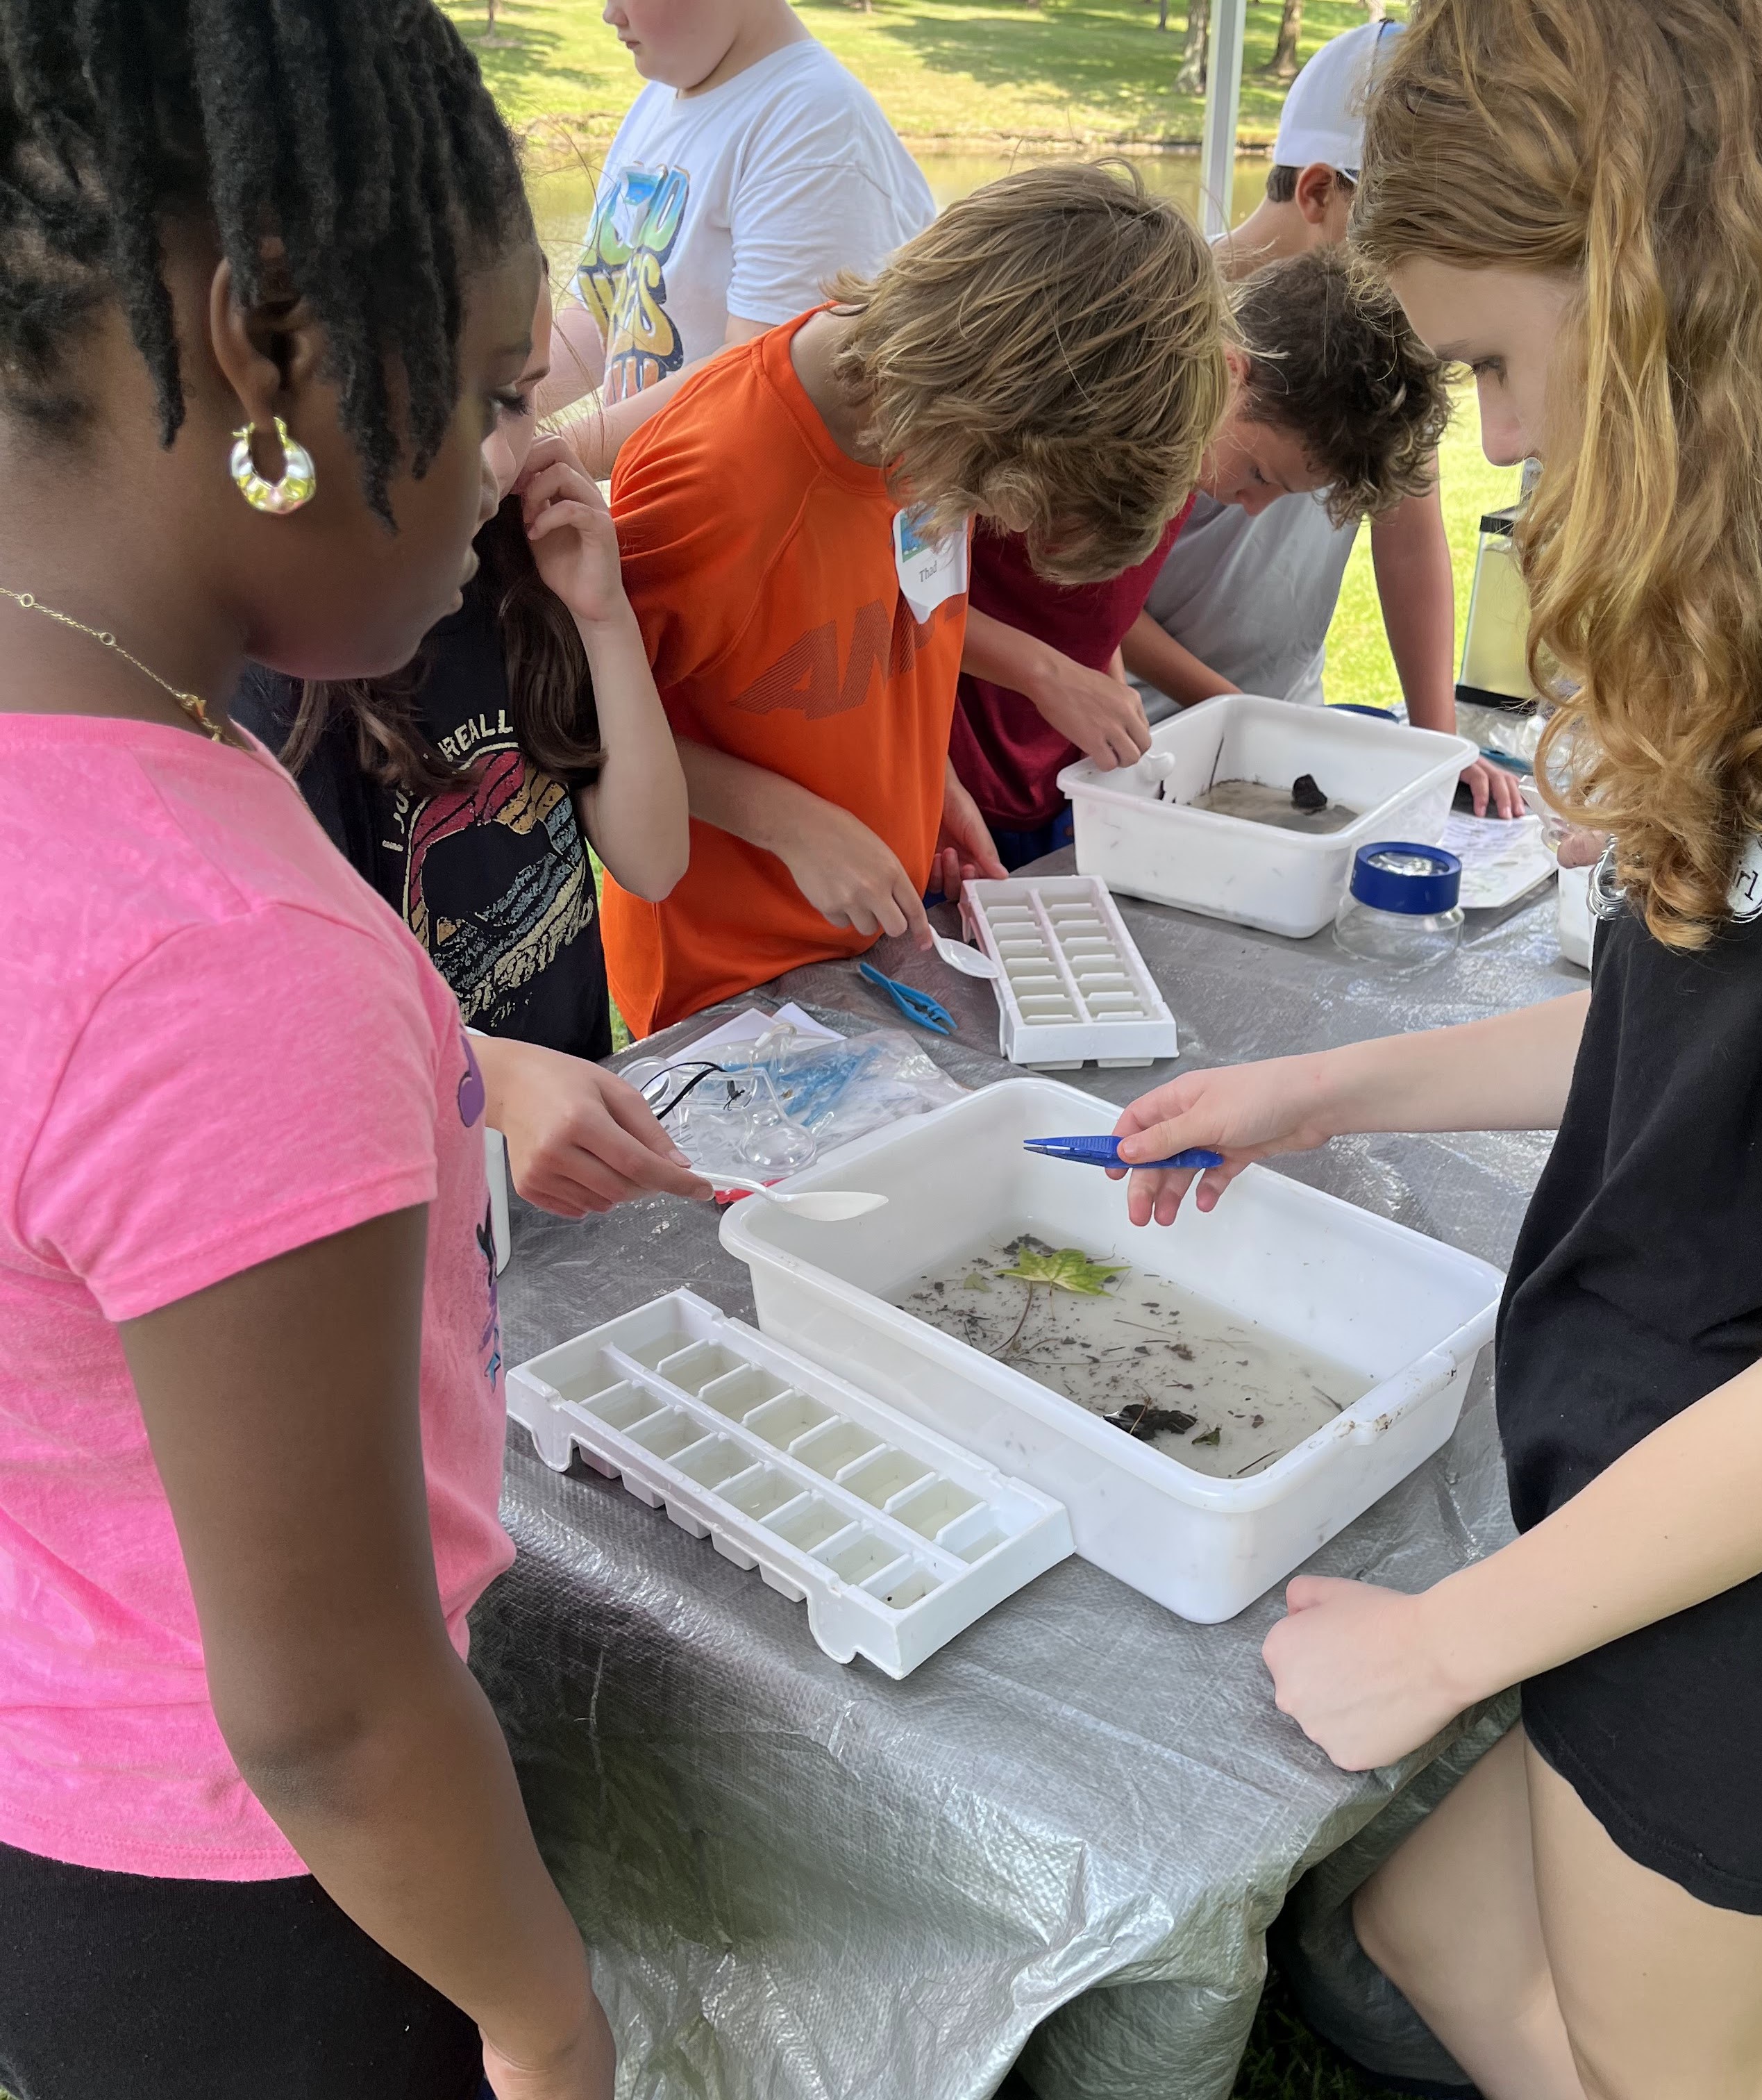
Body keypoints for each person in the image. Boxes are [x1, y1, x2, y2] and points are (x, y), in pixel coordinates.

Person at [1107, 3, 1762, 2094]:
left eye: (1498, 368)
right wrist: (1319, 1088)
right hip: (1656, 1480)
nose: (1522, 444)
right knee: (1432, 1938)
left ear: (1690, 285)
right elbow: (1690, 1029)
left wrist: (1438, 1648)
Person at [0, 6, 627, 2097]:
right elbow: (337, 1715)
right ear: (266, 345)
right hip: (256, 1914)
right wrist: (542, 2017)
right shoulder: (218, 955)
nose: (518, 459)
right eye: (485, 387)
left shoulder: (106, 775)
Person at [601, 160, 1230, 1036]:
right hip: (728, 990)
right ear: (992, 408)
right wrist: (791, 824)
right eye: (1004, 505)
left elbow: (891, 625)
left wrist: (931, 791)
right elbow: (581, 727)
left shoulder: (917, 431)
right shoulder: (720, 482)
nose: (983, 522)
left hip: (870, 945)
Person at [235, 265, 707, 1222]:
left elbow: (653, 863)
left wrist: (604, 617)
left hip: (571, 1138)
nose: (497, 458)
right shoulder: (284, 672)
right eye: (460, 404)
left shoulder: (517, 574)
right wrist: (498, 1085)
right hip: (419, 1184)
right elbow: (307, 1022)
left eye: (524, 399)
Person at [1121, 20, 1523, 819]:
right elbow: (1091, 590)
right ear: (1316, 192)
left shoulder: (1391, 335)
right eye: (1396, 240)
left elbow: (1409, 538)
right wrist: (1248, 720)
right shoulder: (1155, 323)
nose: (1416, 271)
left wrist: (1436, 749)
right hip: (1139, 731)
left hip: (1284, 724)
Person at [951, 244, 1448, 869]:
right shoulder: (1080, 428)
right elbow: (906, 600)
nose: (1252, 505)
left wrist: (1107, 718)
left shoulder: (1193, 458)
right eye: (1261, 473)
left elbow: (1094, 606)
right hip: (942, 765)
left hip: (1045, 779)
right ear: (1233, 373)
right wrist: (1043, 675)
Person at [540, 0, 935, 480]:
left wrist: (543, 460)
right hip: (668, 513)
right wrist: (481, 410)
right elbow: (605, 309)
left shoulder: (814, 124)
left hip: (764, 540)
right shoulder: (662, 98)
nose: (610, 13)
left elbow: (757, 379)